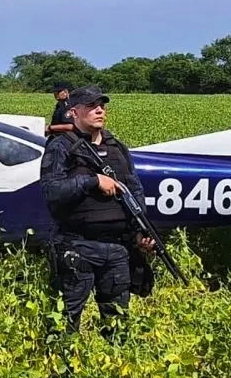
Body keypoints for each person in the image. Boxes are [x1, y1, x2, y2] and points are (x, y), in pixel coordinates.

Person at [39, 85, 154, 340]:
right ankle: (61, 372)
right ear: (74, 112)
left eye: (101, 105)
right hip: (76, 246)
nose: (99, 110)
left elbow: (134, 191)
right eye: (91, 106)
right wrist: (93, 181)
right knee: (64, 323)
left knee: (118, 325)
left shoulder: (118, 149)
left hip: (117, 250)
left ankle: (114, 371)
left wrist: (140, 231)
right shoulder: (61, 147)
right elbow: (51, 191)